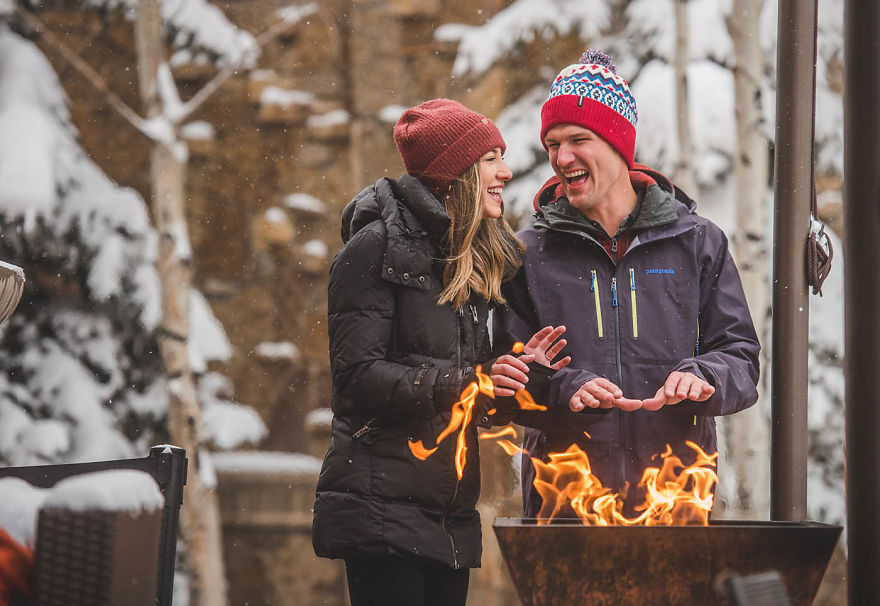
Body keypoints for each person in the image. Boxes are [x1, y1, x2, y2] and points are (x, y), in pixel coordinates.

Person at [311, 99, 563, 606]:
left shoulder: (467, 259)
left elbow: (466, 396)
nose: (506, 171)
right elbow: (358, 380)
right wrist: (469, 380)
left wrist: (515, 381)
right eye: (491, 158)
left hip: (448, 517)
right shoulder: (374, 249)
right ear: (457, 173)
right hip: (382, 512)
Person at [491, 51, 761, 518]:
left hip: (674, 501)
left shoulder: (696, 242)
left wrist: (702, 376)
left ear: (619, 144)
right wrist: (564, 388)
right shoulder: (527, 253)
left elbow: (741, 359)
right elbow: (503, 383)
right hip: (565, 507)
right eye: (552, 144)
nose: (562, 157)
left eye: (579, 139)